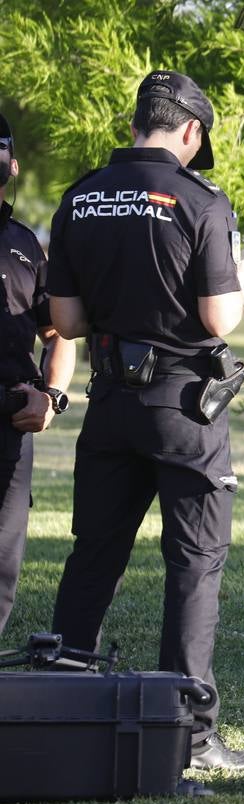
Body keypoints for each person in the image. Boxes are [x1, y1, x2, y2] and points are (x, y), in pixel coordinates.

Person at [45, 71, 244, 771]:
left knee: (95, 554)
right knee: (193, 566)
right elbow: (215, 318)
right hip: (183, 411)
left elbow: (67, 322)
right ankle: (190, 735)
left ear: (140, 121)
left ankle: (57, 706)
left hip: (110, 405)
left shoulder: (79, 197)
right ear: (190, 132)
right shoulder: (201, 201)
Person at [0, 112, 77, 637]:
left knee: (3, 559)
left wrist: (50, 396)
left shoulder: (26, 244)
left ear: (12, 164)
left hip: (12, 421)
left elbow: (60, 334)